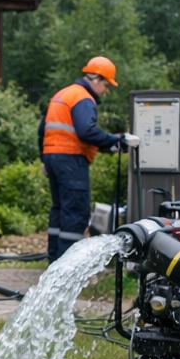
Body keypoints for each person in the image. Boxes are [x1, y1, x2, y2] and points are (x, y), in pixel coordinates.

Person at [40, 56, 136, 262]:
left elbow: (43, 129)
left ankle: (53, 263)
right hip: (71, 160)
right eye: (106, 85)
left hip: (53, 158)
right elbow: (86, 131)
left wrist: (44, 159)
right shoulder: (83, 98)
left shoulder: (63, 94)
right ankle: (66, 269)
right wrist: (118, 140)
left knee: (59, 211)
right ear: (97, 79)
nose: (106, 90)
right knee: (75, 213)